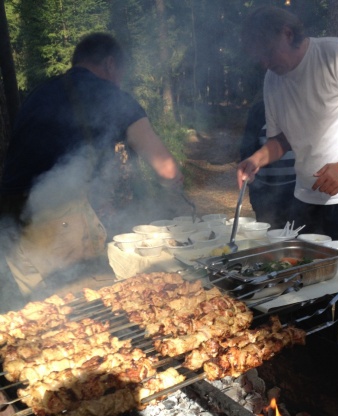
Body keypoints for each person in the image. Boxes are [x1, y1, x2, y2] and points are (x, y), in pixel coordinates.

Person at [238, 7, 338, 364]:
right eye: (258, 57)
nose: (265, 62)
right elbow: (283, 139)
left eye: (267, 52)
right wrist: (257, 158)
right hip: (307, 198)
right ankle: (321, 364)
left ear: (286, 33)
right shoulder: (273, 80)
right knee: (311, 284)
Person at [0, 32, 193, 302]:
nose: (120, 82)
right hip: (57, 221)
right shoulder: (109, 95)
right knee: (87, 306)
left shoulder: (40, 93)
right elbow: (167, 169)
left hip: (10, 222)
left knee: (42, 311)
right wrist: (172, 190)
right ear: (111, 64)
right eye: (121, 74)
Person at [240, 99, 296, 227]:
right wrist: (253, 184)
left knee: (298, 233)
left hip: (297, 192)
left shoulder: (301, 107)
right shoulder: (259, 110)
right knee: (268, 234)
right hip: (265, 192)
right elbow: (247, 147)